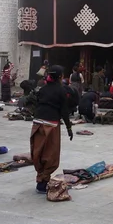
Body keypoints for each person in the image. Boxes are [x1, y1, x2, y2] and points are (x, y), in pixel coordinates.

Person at [30, 65, 73, 194]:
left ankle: (41, 180)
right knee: (50, 154)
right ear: (60, 76)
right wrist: (69, 127)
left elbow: (36, 103)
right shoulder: (61, 90)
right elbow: (64, 111)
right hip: (51, 124)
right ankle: (43, 182)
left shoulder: (42, 89)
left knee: (38, 152)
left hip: (37, 122)